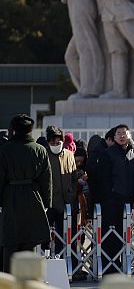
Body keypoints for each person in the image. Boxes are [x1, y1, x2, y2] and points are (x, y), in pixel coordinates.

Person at [0, 114, 52, 272]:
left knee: (10, 241)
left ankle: (8, 281)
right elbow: (47, 180)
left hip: (11, 196)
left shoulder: (5, 150)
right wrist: (46, 202)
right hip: (33, 197)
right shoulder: (40, 150)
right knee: (30, 241)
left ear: (14, 130)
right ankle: (28, 279)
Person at [96, 124, 134, 271]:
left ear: (129, 136)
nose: (121, 136)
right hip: (112, 201)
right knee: (110, 235)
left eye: (124, 133)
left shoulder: (133, 155)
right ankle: (108, 266)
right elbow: (103, 179)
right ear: (114, 137)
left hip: (127, 202)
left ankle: (120, 264)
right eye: (118, 133)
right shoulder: (108, 154)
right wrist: (108, 197)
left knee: (123, 234)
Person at [44, 126, 82, 279]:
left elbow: (73, 177)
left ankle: (71, 268)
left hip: (67, 203)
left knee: (70, 237)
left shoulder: (69, 154)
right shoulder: (44, 155)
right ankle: (47, 269)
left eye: (58, 142)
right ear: (48, 142)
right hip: (49, 203)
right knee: (45, 238)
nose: (56, 144)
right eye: (52, 142)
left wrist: (71, 194)